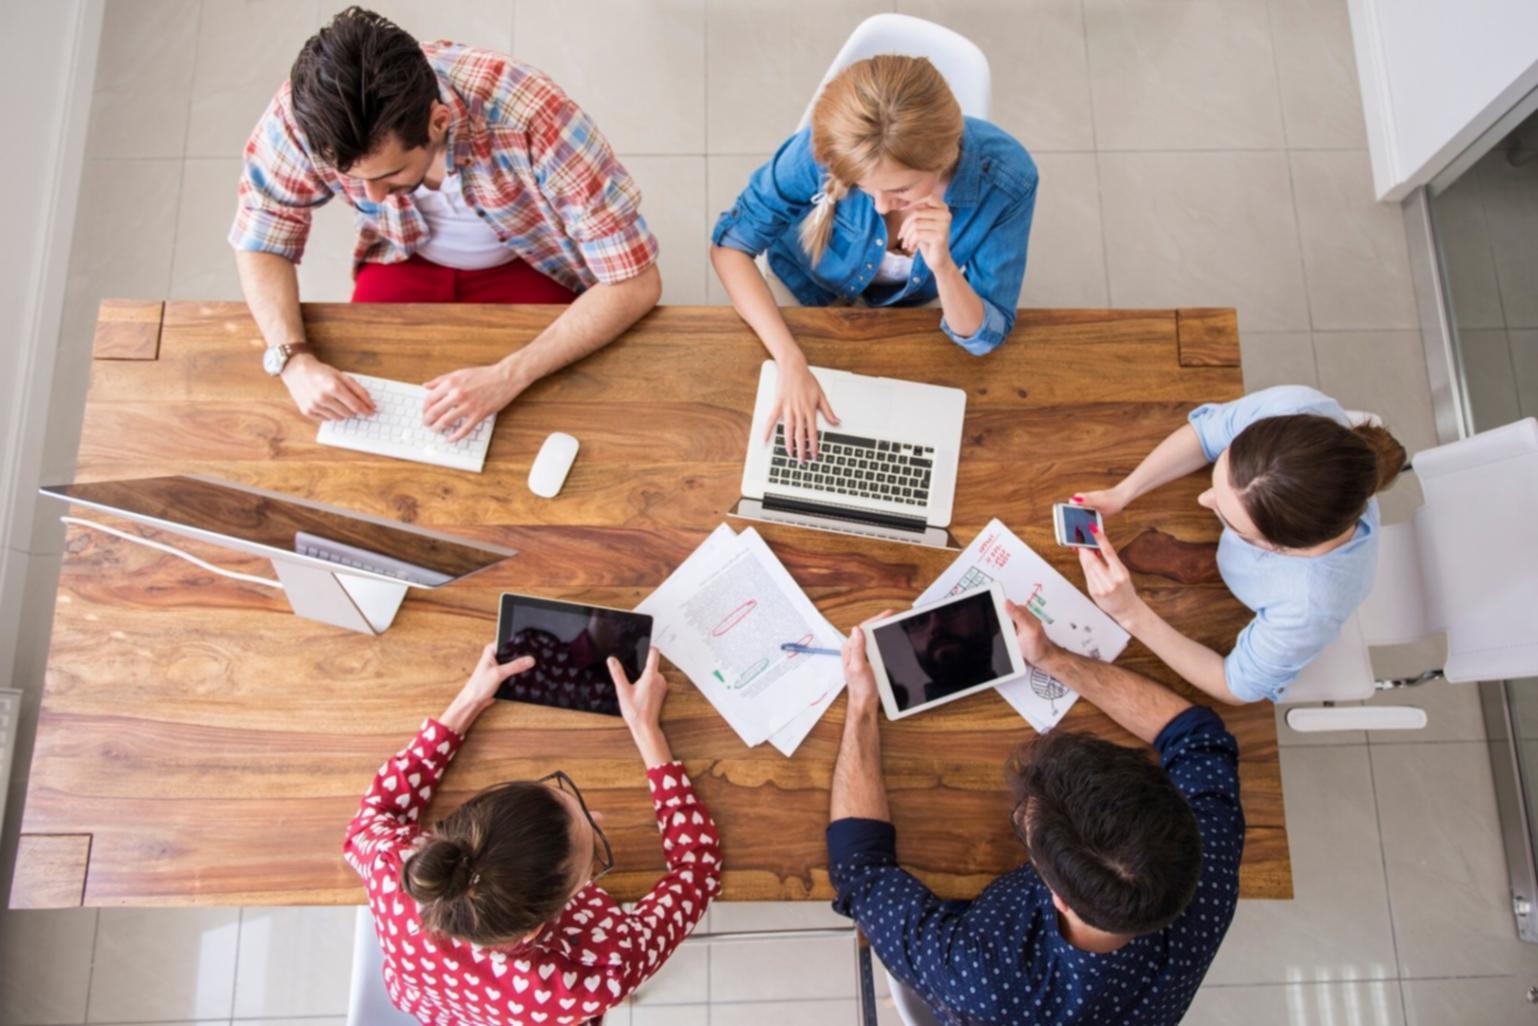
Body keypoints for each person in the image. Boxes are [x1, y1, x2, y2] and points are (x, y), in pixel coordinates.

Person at [232, 7, 662, 441]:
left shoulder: (535, 116)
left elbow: (635, 283)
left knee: (552, 421)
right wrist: (292, 359)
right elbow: (261, 231)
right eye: (356, 180)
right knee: (362, 426)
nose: (372, 197)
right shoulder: (306, 117)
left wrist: (509, 375)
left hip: (531, 262)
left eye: (389, 175)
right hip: (403, 254)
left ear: (438, 121)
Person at [827, 602, 1243, 1025]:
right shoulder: (1204, 872)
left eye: (1029, 822)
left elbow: (860, 872)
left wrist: (861, 703)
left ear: (1057, 897)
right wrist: (1050, 656)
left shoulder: (980, 975)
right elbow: (1197, 736)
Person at [344, 643, 720, 1026]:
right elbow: (699, 872)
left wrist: (469, 700)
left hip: (439, 1005)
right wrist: (645, 729)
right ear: (541, 924)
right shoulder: (599, 973)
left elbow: (373, 814)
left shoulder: (395, 871)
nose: (599, 816)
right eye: (593, 853)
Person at [710, 55, 1038, 461]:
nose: (883, 207)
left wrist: (944, 268)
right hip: (802, 284)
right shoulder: (821, 150)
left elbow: (985, 336)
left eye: (901, 190)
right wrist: (790, 360)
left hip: (909, 309)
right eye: (865, 189)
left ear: (943, 157)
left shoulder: (1008, 180)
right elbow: (730, 246)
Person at [1072, 384, 1408, 705]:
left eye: (1230, 520)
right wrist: (1124, 491)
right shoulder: (1292, 409)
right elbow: (1205, 435)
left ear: (1279, 550)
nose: (1203, 498)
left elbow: (1233, 685)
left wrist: (1130, 614)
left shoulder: (1309, 606)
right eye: (1220, 474)